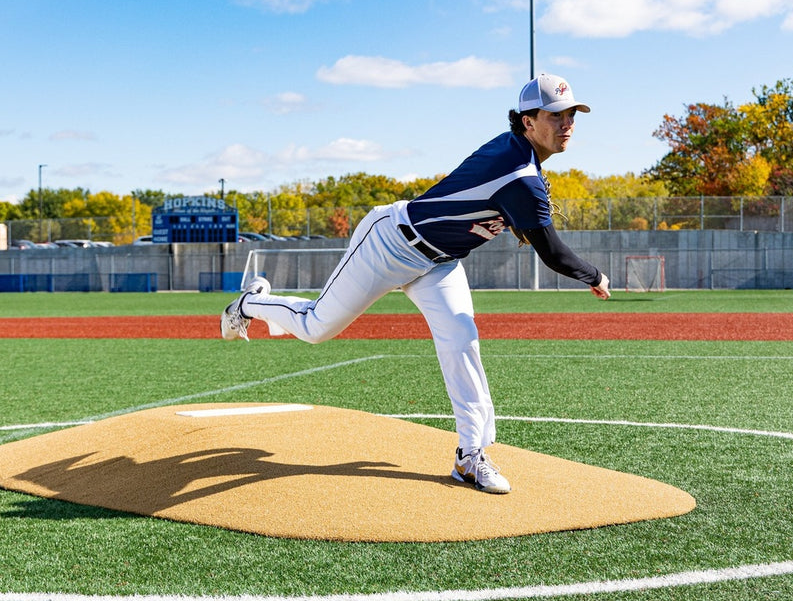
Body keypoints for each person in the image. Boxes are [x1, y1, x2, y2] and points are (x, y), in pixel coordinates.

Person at [220, 73, 611, 494]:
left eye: (571, 114)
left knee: (461, 339)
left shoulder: (518, 155)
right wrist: (595, 276)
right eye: (555, 115)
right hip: (390, 243)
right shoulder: (520, 175)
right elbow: (553, 254)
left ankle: (470, 456)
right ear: (528, 121)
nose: (566, 123)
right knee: (316, 327)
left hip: (439, 262)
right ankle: (248, 304)